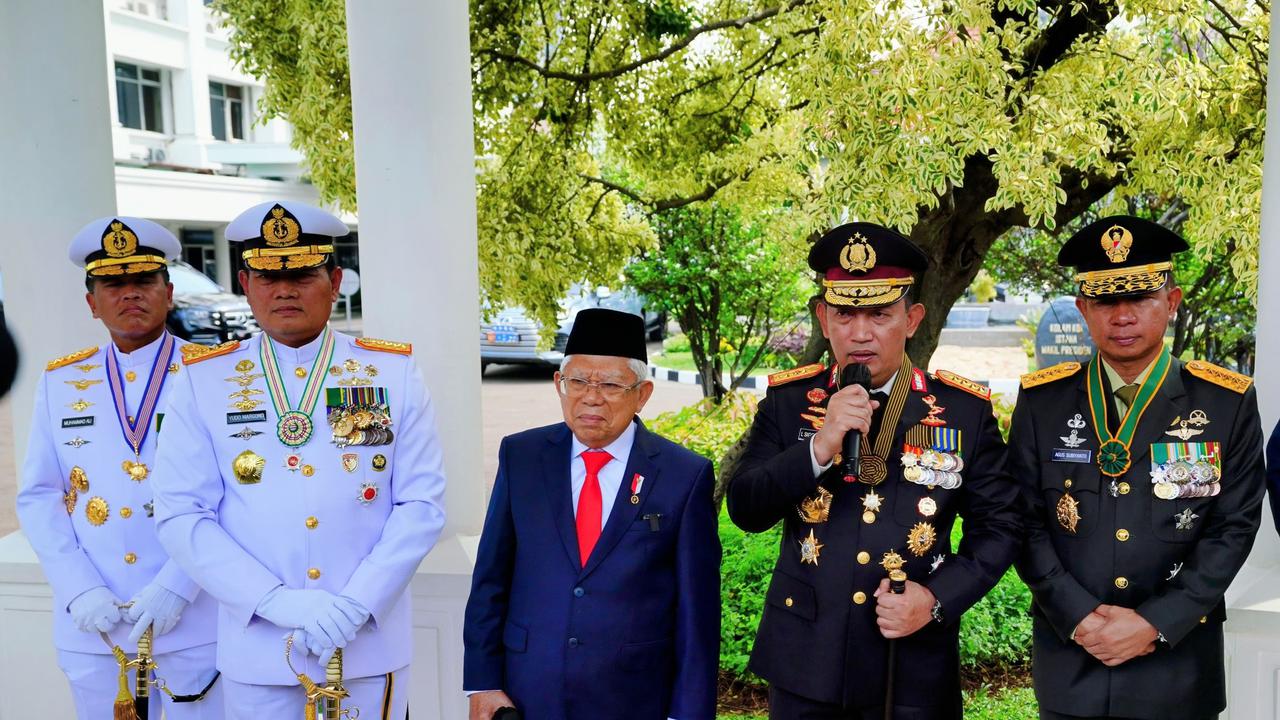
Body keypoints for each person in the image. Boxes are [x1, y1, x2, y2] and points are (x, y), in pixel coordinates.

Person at [150, 200, 447, 720]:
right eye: (267, 275)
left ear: (334, 280)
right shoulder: (205, 380)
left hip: (367, 646)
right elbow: (182, 515)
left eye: (303, 274)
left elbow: (420, 504)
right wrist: (275, 602)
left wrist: (355, 604)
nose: (284, 289)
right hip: (258, 646)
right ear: (245, 283)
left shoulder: (387, 373)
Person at [726, 223, 1022, 719]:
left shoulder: (961, 410)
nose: (859, 333)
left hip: (911, 662)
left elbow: (1001, 526)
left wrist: (934, 599)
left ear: (912, 319)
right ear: (823, 318)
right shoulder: (789, 402)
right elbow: (746, 508)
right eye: (844, 314)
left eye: (880, 315)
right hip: (806, 660)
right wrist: (820, 445)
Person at [1012, 215, 1264, 720]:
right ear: (1084, 308)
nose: (1122, 316)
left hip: (1176, 667)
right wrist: (1080, 618)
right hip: (1072, 665)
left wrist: (1154, 623)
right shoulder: (1043, 401)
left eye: (1139, 298)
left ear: (1170, 303)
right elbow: (1021, 519)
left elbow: (1232, 527)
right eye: (1105, 300)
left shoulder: (1224, 402)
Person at [463, 308, 721, 720]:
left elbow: (699, 613)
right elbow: (491, 579)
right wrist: (483, 682)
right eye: (578, 381)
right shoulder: (522, 456)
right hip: (528, 693)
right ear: (559, 384)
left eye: (611, 385)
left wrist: (687, 713)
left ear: (643, 393)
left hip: (633, 697)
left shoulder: (683, 475)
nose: (591, 397)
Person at [16, 216, 222, 718]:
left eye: (144, 281)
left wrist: (179, 584)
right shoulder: (63, 380)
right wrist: (78, 588)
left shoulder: (215, 374)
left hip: (193, 621)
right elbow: (40, 495)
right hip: (94, 624)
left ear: (168, 292)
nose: (130, 294)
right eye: (114, 283)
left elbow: (232, 493)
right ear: (92, 303)